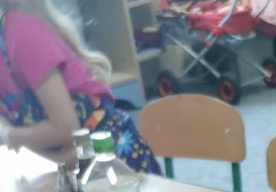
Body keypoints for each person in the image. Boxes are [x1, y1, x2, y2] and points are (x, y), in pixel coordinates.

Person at [0, 0, 159, 169]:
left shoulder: (22, 33)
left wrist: (10, 136)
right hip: (70, 164)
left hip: (111, 160)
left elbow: (66, 130)